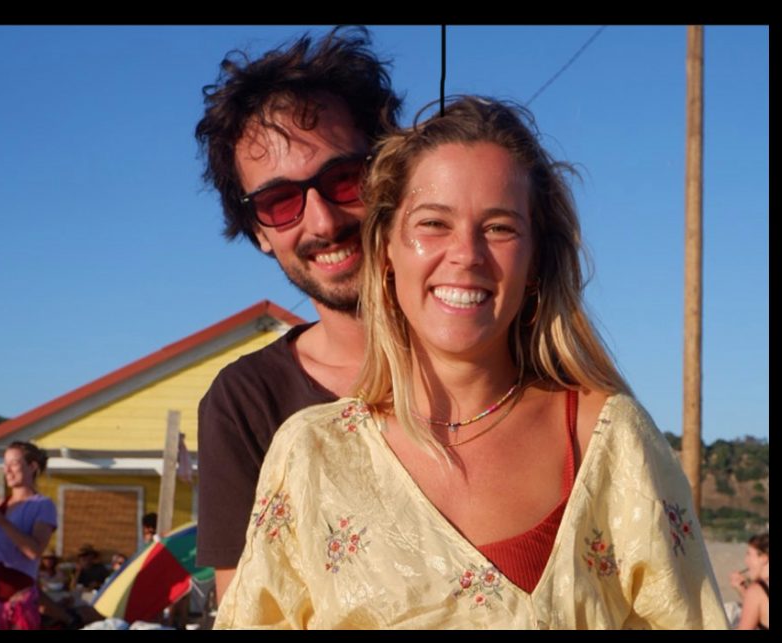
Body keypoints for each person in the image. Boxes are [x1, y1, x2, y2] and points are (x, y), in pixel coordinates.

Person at [214, 96, 730, 629]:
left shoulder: (610, 439)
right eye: (433, 223)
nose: (466, 254)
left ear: (535, 261)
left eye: (500, 228)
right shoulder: (310, 455)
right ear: (387, 249)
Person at [194, 26, 401, 604]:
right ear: (258, 231)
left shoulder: (496, 356)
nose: (323, 221)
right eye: (279, 201)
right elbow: (246, 609)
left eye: (344, 179)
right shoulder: (245, 404)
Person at [0, 441, 57, 629]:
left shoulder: (43, 505)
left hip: (16, 598)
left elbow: (35, 551)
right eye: (5, 464)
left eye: (14, 463)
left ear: (32, 466)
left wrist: (2, 521)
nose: (7, 470)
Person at [729, 533, 769, 630]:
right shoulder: (758, 593)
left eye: (749, 554)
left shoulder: (756, 592)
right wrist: (742, 590)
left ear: (764, 558)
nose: (746, 561)